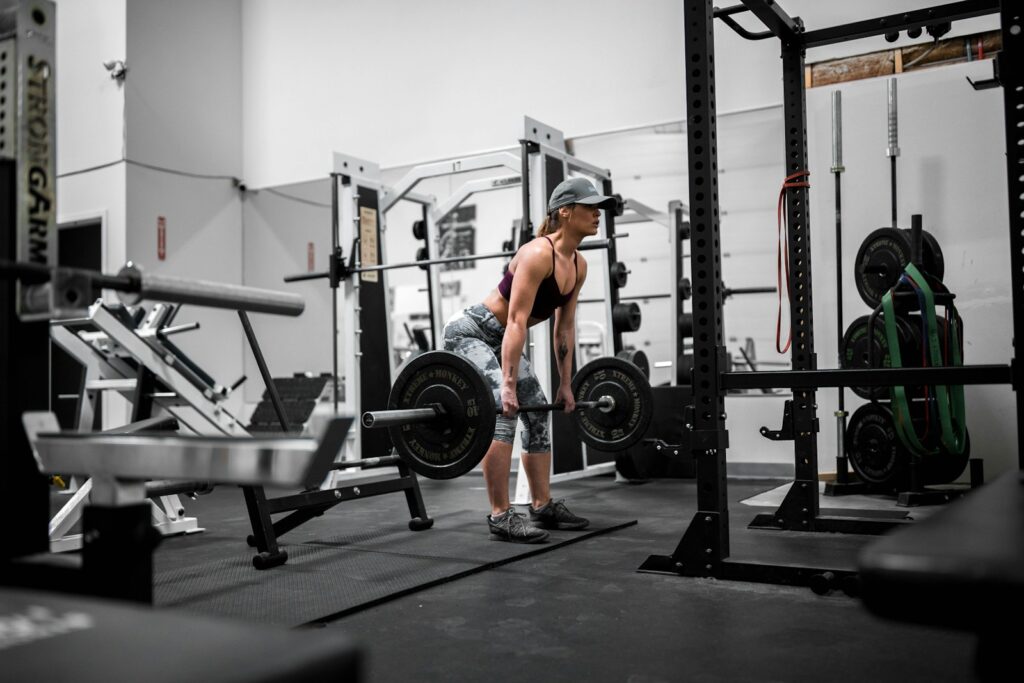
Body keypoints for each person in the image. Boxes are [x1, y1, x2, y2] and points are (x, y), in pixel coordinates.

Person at [442, 177, 617, 542]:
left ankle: (541, 505)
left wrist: (566, 384)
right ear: (564, 212)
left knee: (537, 410)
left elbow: (564, 330)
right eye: (590, 206)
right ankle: (501, 515)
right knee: (503, 414)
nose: (597, 214)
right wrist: (506, 386)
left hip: (503, 337)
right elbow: (517, 321)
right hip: (472, 332)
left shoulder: (578, 265)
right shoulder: (539, 253)